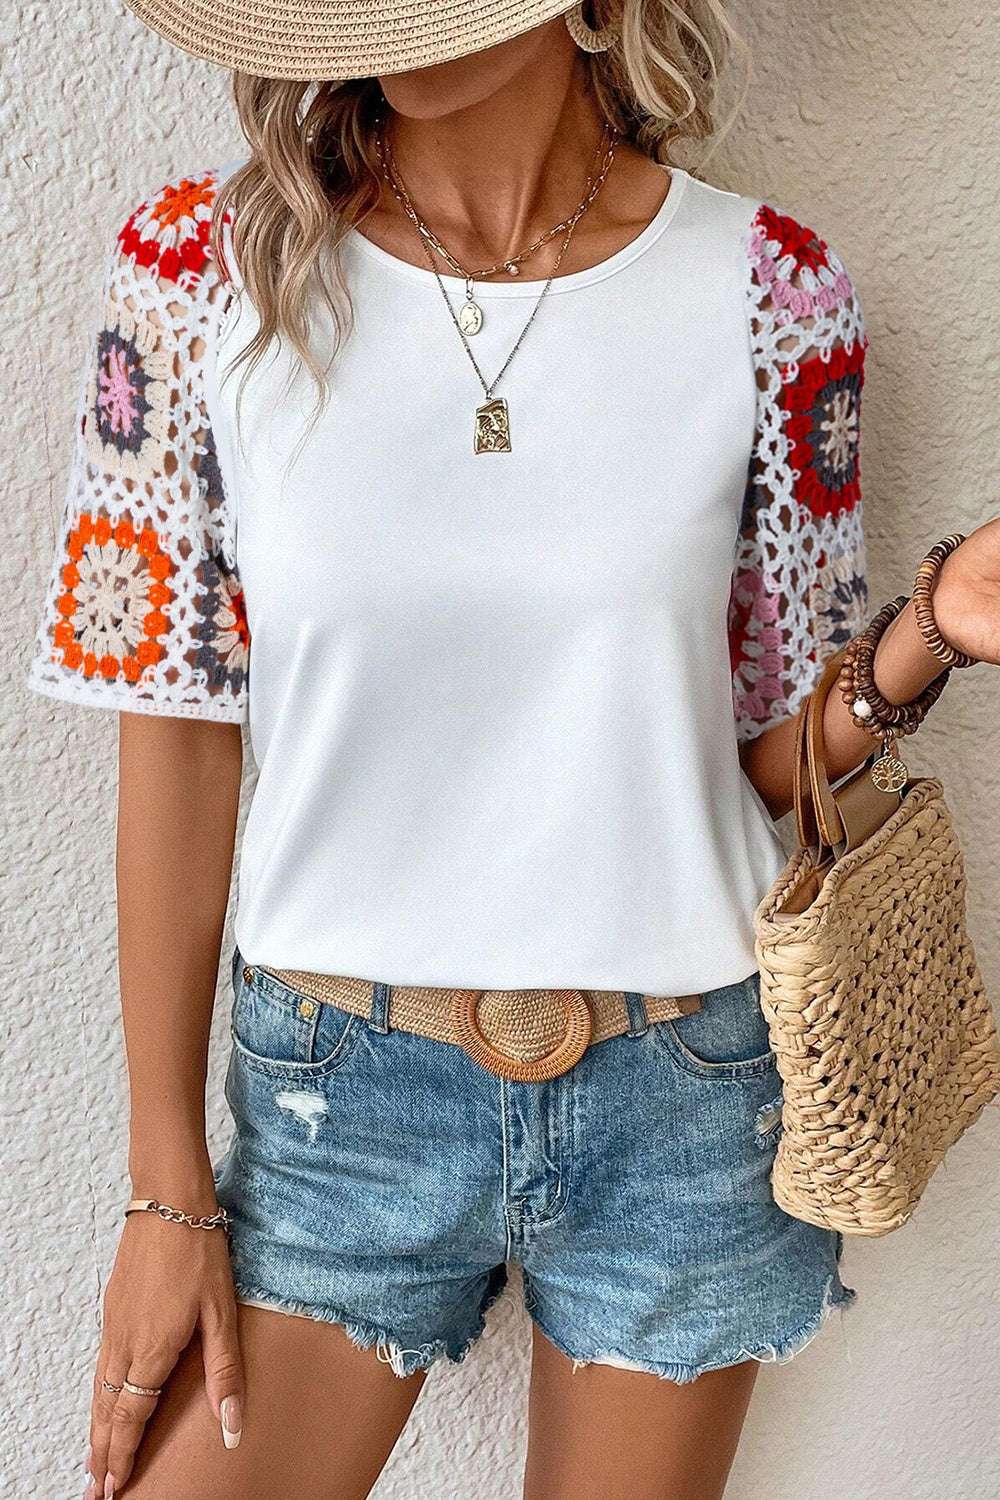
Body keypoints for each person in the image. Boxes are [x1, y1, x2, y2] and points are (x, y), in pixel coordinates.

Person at [26, 3, 1000, 1498]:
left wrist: (932, 627)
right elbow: (177, 736)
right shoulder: (196, 275)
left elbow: (753, 762)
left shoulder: (773, 289)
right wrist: (167, 1189)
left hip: (685, 1093)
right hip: (334, 1099)